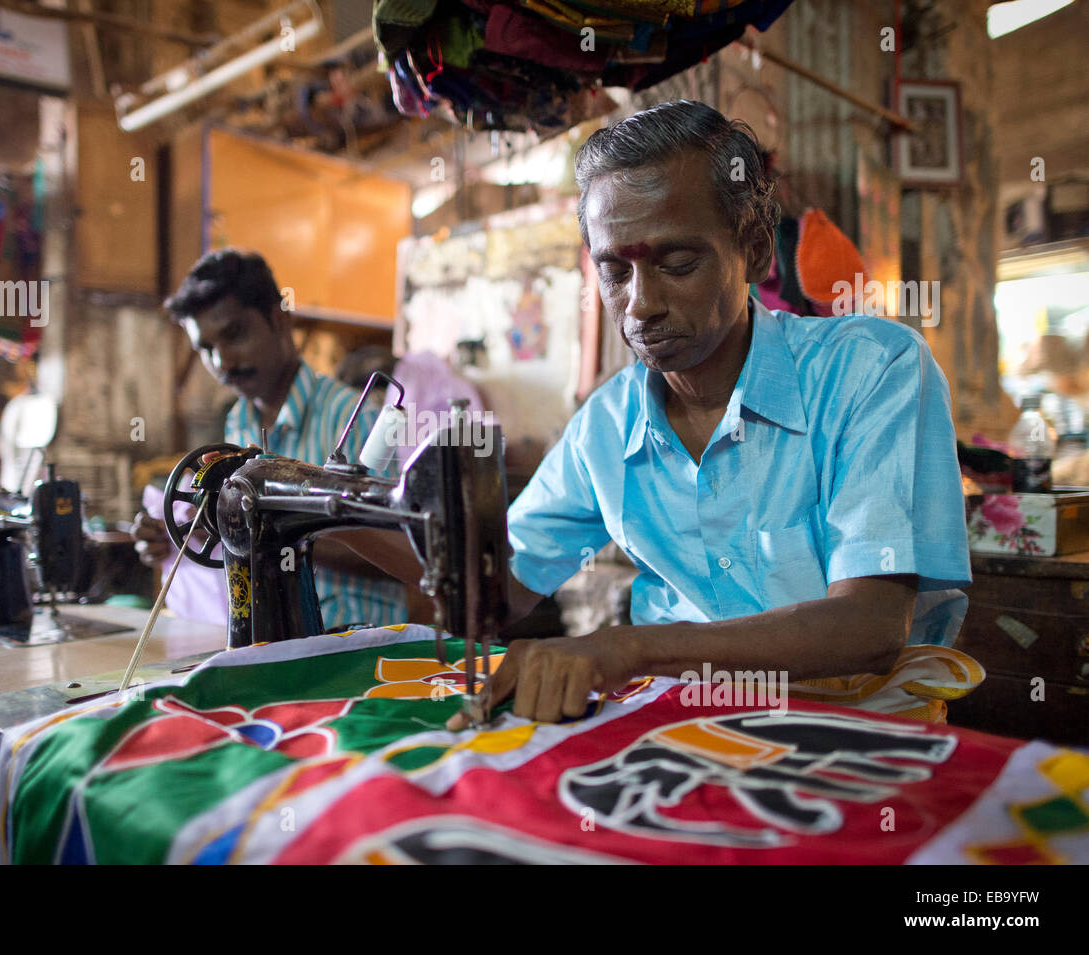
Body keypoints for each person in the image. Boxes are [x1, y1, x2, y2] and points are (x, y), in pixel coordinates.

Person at [344, 101, 971, 726]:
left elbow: (868, 624)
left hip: (867, 737)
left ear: (755, 252)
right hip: (685, 733)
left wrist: (631, 649)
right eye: (615, 271)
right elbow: (497, 592)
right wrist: (334, 519)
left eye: (677, 264)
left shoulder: (873, 370)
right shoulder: (605, 428)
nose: (640, 305)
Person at [132, 248, 408, 630]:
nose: (223, 362)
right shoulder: (238, 423)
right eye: (207, 349)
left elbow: (405, 552)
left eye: (234, 334)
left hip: (356, 640)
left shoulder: (357, 418)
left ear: (279, 320)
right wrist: (181, 537)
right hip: (279, 640)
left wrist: (259, 530)